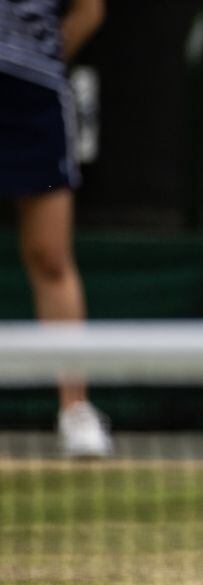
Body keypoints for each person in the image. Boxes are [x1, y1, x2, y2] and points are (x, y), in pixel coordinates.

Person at [1, 0, 112, 458]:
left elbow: (90, 9)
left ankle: (75, 410)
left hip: (35, 97)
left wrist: (37, 56)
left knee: (49, 256)